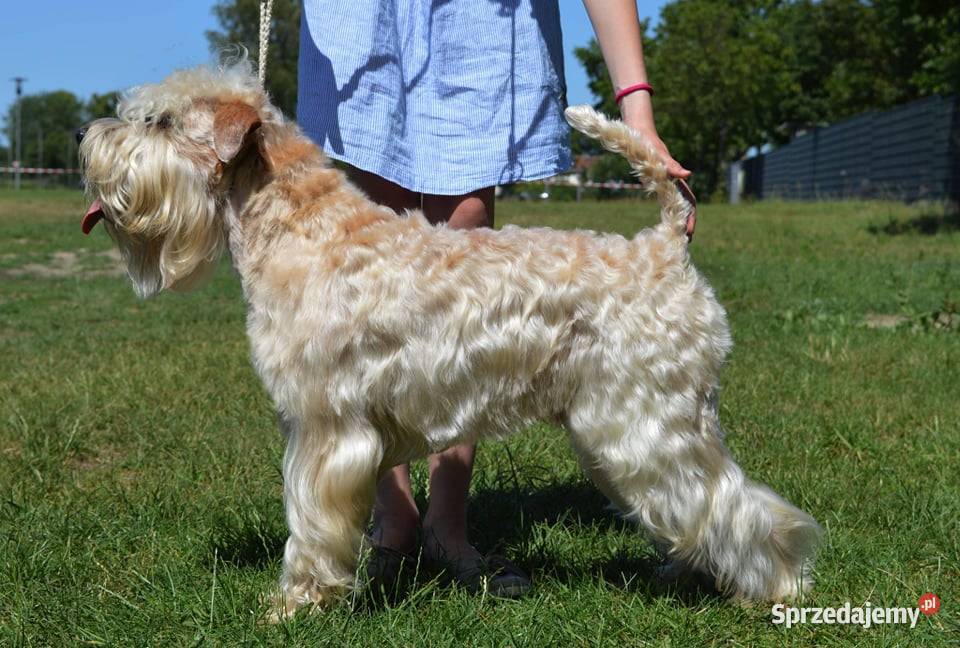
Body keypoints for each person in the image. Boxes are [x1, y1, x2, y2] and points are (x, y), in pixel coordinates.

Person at [297, 0, 693, 596]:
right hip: (362, 19)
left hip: (473, 18)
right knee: (376, 273)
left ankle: (448, 526)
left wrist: (636, 107)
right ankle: (392, 519)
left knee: (465, 251)